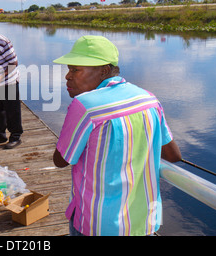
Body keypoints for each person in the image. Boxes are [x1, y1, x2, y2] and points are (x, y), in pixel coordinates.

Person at [52, 35, 182, 236]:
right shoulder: (148, 99)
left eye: (75, 69)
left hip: (98, 224)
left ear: (104, 71)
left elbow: (61, 160)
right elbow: (174, 155)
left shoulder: (85, 106)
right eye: (69, 69)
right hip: (143, 222)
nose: (68, 76)